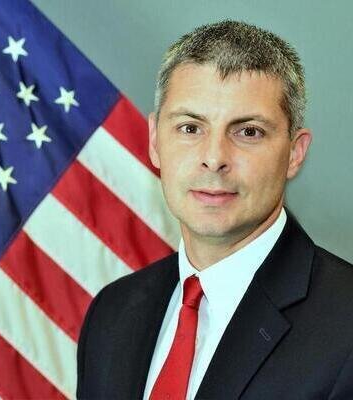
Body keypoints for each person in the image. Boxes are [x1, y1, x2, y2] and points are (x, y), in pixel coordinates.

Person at [77, 20, 353, 399]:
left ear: (294, 152)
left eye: (248, 131)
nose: (214, 157)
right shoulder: (112, 313)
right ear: (155, 141)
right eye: (190, 128)